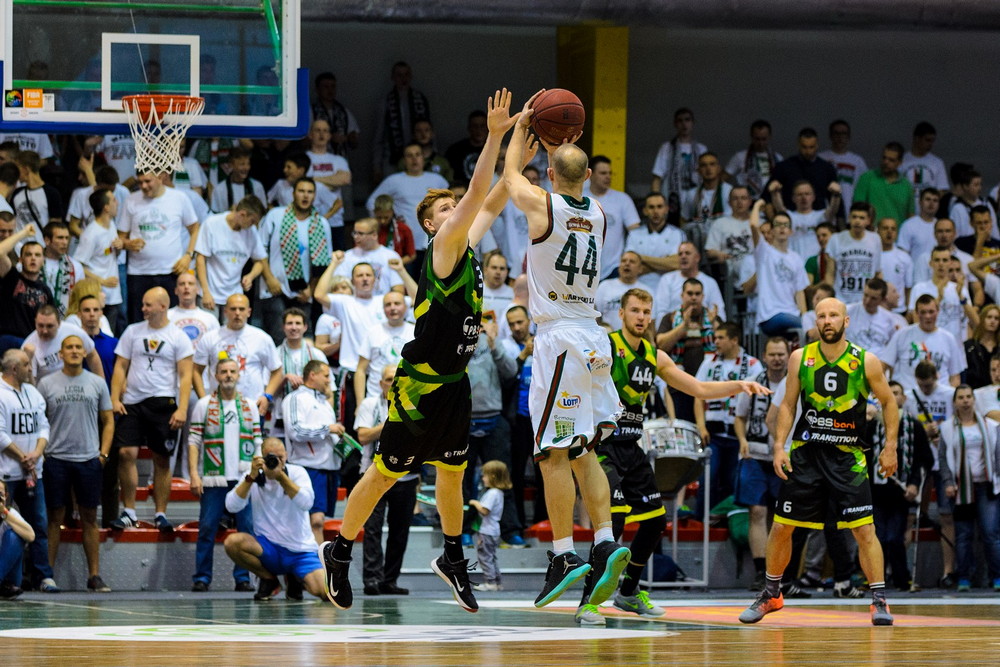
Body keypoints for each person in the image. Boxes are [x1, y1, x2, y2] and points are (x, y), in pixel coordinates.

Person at [320, 88, 520, 613]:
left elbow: (499, 192)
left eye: (456, 206)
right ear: (431, 224)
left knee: (454, 472)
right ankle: (339, 549)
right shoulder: (443, 247)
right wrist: (495, 134)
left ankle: (453, 557)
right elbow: (480, 193)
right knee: (386, 473)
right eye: (447, 208)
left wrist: (526, 133)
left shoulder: (466, 243)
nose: (458, 210)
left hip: (454, 384)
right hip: (420, 384)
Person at [503, 93, 639, 611]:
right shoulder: (601, 213)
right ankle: (604, 543)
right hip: (594, 337)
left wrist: (522, 127)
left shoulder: (544, 203)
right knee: (584, 450)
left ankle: (562, 555)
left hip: (559, 337)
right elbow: (561, 170)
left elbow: (511, 175)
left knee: (549, 453)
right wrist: (562, 141)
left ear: (552, 173)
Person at [576, 288, 768, 625]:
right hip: (602, 446)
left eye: (646, 312)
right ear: (621, 314)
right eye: (634, 310)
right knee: (614, 523)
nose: (641, 317)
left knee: (655, 521)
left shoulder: (655, 356)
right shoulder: (607, 344)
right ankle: (587, 603)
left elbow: (699, 388)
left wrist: (740, 385)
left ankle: (629, 593)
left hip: (632, 447)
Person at [739, 297, 899, 626]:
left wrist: (891, 447)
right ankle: (771, 593)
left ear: (846, 321)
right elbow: (786, 405)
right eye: (822, 316)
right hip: (807, 453)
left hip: (848, 457)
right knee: (782, 527)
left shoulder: (865, 361)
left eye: (834, 316)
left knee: (865, 531)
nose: (828, 321)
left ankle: (879, 600)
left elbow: (888, 402)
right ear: (816, 321)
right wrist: (779, 445)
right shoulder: (800, 358)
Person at [109, 287, 195, 531]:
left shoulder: (178, 336)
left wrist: (182, 408)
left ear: (162, 306)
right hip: (133, 402)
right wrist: (115, 398)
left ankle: (160, 513)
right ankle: (128, 511)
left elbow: (186, 375)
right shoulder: (132, 331)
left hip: (163, 403)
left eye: (148, 305)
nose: (143, 308)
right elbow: (120, 367)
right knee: (126, 453)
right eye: (143, 304)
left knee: (162, 459)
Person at [37, 335, 114, 593]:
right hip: (56, 459)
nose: (73, 351)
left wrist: (102, 454)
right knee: (54, 518)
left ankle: (94, 576)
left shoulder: (97, 383)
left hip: (88, 459)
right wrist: (43, 453)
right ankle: (46, 576)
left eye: (77, 347)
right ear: (60, 354)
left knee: (90, 518)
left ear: (84, 352)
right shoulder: (46, 384)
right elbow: (39, 422)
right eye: (68, 347)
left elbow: (108, 420)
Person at [187, 355, 262, 593]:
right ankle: (202, 577)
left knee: (246, 529)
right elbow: (194, 440)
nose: (228, 375)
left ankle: (243, 577)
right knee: (208, 527)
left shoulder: (249, 405)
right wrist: (193, 474)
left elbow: (257, 441)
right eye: (223, 372)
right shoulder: (204, 404)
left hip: (243, 478)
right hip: (213, 477)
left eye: (232, 371)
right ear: (216, 376)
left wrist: (257, 473)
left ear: (238, 375)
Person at [223, 437, 329, 601]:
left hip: (300, 550)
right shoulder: (253, 476)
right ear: (262, 457)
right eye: (271, 457)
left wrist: (281, 477)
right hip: (268, 548)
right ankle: (268, 579)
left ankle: (295, 577)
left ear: (286, 455)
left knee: (326, 592)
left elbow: (307, 503)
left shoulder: (297, 472)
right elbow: (231, 506)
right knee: (232, 542)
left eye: (280, 457)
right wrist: (250, 478)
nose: (276, 461)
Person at [734, 336, 790, 590]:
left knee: (780, 516)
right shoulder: (755, 383)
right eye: (773, 354)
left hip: (784, 455)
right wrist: (742, 440)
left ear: (788, 356)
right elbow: (739, 416)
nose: (777, 358)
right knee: (757, 512)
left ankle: (776, 571)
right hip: (755, 454)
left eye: (781, 354)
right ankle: (760, 570)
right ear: (765, 356)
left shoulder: (794, 384)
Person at [357, 365, 417, 596]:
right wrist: (392, 423)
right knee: (372, 529)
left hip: (407, 476)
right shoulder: (369, 405)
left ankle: (390, 580)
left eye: (397, 379)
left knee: (400, 530)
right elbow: (362, 436)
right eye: (389, 379)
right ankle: (372, 579)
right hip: (373, 474)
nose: (393, 383)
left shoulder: (414, 403)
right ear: (381, 383)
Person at [0, 348, 56, 592]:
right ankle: (10, 579)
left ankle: (43, 576)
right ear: (14, 369)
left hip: (34, 472)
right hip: (5, 473)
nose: (31, 368)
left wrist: (37, 453)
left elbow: (44, 426)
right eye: (26, 364)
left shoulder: (33, 392)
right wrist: (22, 456)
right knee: (7, 527)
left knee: (38, 524)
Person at [869, 381, 934, 591]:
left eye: (896, 393)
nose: (892, 397)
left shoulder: (914, 426)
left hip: (901, 491)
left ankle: (901, 578)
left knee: (894, 538)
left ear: (903, 398)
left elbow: (925, 459)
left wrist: (915, 484)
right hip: (876, 491)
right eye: (887, 393)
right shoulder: (872, 426)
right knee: (876, 537)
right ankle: (875, 579)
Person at [937, 386, 1000, 592]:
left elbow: (997, 456)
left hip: (986, 484)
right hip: (961, 486)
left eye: (968, 397)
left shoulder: (990, 426)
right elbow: (943, 459)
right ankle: (963, 576)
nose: (965, 401)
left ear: (974, 400)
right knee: (963, 534)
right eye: (961, 397)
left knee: (990, 533)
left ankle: (997, 576)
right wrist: (947, 482)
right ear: (955, 402)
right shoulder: (947, 428)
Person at [117, 170, 200, 324]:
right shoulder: (131, 200)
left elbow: (195, 229)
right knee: (139, 320)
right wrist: (127, 244)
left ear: (161, 177)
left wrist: (188, 255)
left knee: (173, 320)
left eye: (148, 181)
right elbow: (120, 238)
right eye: (140, 182)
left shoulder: (179, 198)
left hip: (171, 271)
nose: (144, 186)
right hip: (139, 272)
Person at [695, 322, 761, 510]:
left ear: (734, 340)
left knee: (733, 481)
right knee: (708, 477)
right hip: (713, 434)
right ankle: (701, 520)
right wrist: (701, 426)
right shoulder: (709, 363)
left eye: (720, 338)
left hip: (738, 434)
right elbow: (698, 396)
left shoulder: (753, 365)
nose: (715, 341)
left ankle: (727, 522)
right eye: (715, 337)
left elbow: (757, 400)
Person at [193, 294, 282, 420]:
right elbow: (196, 370)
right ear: (225, 312)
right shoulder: (211, 337)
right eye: (233, 309)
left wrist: (267, 396)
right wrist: (204, 400)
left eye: (241, 309)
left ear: (249, 312)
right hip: (217, 407)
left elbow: (277, 370)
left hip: (252, 406)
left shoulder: (262, 338)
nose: (237, 313)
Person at [284, 360, 345, 545]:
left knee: (319, 521)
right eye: (326, 376)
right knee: (314, 522)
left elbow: (329, 434)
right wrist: (328, 429)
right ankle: (317, 569)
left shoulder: (325, 403)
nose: (329, 381)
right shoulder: (295, 398)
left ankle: (317, 568)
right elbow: (296, 431)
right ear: (312, 375)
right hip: (306, 467)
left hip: (328, 469)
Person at [193, 196, 267, 315]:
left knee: (234, 332)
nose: (253, 225)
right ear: (242, 214)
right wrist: (205, 291)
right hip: (210, 292)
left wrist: (251, 276)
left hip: (235, 295)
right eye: (252, 221)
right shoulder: (212, 223)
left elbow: (260, 261)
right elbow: (200, 258)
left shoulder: (251, 232)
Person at [748, 202, 809, 337]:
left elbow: (800, 293)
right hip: (770, 316)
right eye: (778, 225)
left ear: (791, 231)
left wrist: (805, 318)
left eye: (785, 225)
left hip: (792, 315)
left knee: (812, 322)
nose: (782, 228)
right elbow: (753, 225)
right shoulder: (764, 251)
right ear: (772, 230)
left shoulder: (796, 258)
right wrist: (757, 205)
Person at [883, 294, 965, 391]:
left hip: (938, 399)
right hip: (908, 397)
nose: (927, 316)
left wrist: (948, 397)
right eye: (923, 312)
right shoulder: (902, 335)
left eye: (931, 312)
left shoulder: (949, 338)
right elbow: (883, 365)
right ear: (916, 313)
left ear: (938, 311)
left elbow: (955, 377)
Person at [74, 188, 123, 331]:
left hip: (113, 295)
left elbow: (111, 255)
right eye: (114, 200)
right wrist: (101, 281)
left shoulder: (112, 225)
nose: (118, 203)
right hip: (97, 296)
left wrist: (119, 247)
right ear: (106, 207)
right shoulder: (91, 233)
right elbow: (78, 265)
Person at [0, 226, 54, 351]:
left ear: (43, 261)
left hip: (33, 343)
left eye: (37, 255)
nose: (33, 258)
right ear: (20, 260)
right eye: (28, 254)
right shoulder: (11, 277)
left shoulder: (45, 290)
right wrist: (23, 233)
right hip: (7, 340)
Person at [586, 155, 639, 280]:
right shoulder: (579, 197)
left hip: (614, 267)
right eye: (603, 173)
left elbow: (636, 232)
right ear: (590, 174)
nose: (608, 176)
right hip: (583, 266)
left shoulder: (623, 199)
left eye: (610, 173)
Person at [21, 305, 103, 381]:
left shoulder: (73, 330)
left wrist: (101, 384)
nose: (44, 331)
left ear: (59, 323)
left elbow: (92, 355)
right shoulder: (29, 346)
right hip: (47, 391)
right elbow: (29, 383)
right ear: (35, 322)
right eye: (40, 326)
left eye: (49, 326)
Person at [824, 203, 883, 305]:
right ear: (849, 218)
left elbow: (877, 273)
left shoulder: (875, 239)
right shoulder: (836, 239)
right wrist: (829, 300)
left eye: (861, 218)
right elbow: (830, 273)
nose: (857, 221)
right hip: (841, 299)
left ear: (868, 220)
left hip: (866, 301)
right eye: (854, 217)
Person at [470, 459, 512, 592]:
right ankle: (497, 581)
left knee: (485, 557)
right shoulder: (498, 493)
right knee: (491, 557)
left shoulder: (492, 493)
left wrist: (474, 503)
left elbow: (484, 510)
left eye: (485, 475)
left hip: (487, 530)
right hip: (493, 530)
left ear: (492, 477)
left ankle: (490, 582)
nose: (482, 478)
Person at [650, 107, 707, 200]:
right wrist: (655, 199)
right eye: (680, 121)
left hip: (696, 199)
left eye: (687, 120)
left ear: (693, 123)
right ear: (675, 124)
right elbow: (657, 177)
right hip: (672, 199)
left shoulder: (701, 149)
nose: (684, 124)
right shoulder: (667, 147)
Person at [852, 142, 914, 224]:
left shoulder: (906, 185)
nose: (886, 162)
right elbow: (857, 209)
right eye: (884, 158)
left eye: (891, 160)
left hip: (897, 235)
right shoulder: (867, 178)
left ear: (900, 162)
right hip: (871, 234)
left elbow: (910, 216)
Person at [725, 119, 782, 200]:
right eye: (757, 139)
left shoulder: (777, 158)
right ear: (751, 137)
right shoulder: (739, 157)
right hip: (748, 202)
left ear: (770, 137)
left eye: (764, 139)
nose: (761, 143)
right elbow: (723, 179)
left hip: (770, 201)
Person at [818, 119, 868, 209]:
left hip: (849, 207)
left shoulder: (857, 161)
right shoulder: (821, 158)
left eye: (843, 133)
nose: (840, 137)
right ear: (830, 135)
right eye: (836, 133)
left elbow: (862, 187)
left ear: (848, 136)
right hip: (825, 207)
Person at [845, 278, 898, 359]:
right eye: (865, 295)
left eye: (874, 298)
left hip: (877, 363)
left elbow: (891, 347)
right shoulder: (848, 311)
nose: (867, 301)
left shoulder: (889, 319)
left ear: (883, 300)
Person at [0, 480, 35, 600]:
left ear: (6, 496)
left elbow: (31, 536)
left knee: (15, 535)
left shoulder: (10, 513)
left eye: (0, 494)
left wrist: (4, 514)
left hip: (9, 575)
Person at [965, 305, 1000, 389]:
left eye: (996, 318)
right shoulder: (969, 346)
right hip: (976, 392)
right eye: (989, 317)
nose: (992, 321)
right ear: (982, 319)